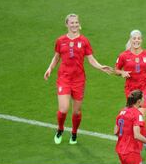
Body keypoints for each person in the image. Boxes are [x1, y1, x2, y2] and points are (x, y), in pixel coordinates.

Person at [44, 13, 113, 145]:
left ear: (79, 24)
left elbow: (91, 59)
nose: (74, 25)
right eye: (72, 23)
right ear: (67, 24)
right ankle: (60, 129)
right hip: (64, 78)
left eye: (76, 22)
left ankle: (74, 133)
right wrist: (49, 69)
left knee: (76, 111)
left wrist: (100, 67)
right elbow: (56, 57)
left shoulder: (84, 41)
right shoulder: (60, 40)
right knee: (63, 109)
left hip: (78, 80)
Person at [115, 30, 146, 140]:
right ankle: (144, 134)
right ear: (130, 39)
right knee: (135, 113)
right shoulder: (123, 56)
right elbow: (116, 70)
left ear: (141, 40)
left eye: (138, 38)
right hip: (131, 89)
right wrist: (122, 73)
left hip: (145, 87)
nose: (136, 40)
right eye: (134, 38)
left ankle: (140, 138)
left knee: (140, 114)